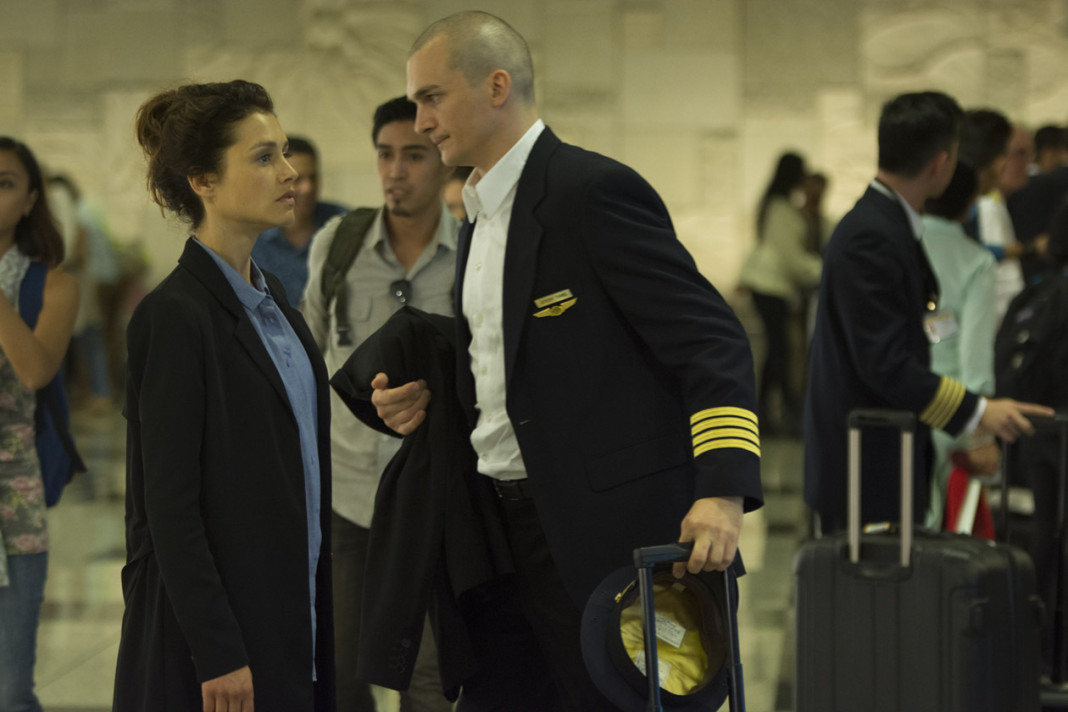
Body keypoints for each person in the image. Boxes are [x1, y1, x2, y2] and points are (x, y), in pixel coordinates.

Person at [372, 11, 764, 710]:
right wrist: (428, 390)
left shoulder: (591, 192)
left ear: (497, 86)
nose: (422, 121)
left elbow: (711, 341)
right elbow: (514, 360)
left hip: (600, 537)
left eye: (432, 97)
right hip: (500, 539)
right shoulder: (480, 214)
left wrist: (724, 491)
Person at [113, 80, 334, 712]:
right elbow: (169, 506)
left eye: (284, 152)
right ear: (203, 180)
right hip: (218, 644)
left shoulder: (275, 304)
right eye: (264, 157)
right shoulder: (174, 316)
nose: (289, 173)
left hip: (288, 616)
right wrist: (217, 651)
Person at [804, 91, 1051, 534]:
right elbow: (885, 364)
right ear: (941, 162)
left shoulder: (888, 223)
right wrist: (977, 411)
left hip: (881, 457)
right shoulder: (872, 236)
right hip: (868, 467)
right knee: (875, 579)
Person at [300, 96, 456, 712]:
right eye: (385, 155)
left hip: (433, 502)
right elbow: (307, 357)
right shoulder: (338, 245)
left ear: (444, 160)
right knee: (338, 669)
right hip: (348, 498)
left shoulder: (473, 251)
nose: (395, 171)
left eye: (414, 155)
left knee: (429, 678)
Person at [0, 137, 78, 712]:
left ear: (30, 200)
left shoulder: (51, 284)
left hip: (13, 500)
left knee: (9, 688)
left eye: (4, 184)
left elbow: (35, 370)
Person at [919, 161, 998, 529]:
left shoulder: (899, 245)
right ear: (970, 202)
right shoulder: (977, 262)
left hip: (891, 400)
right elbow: (975, 358)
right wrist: (980, 433)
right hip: (949, 411)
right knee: (938, 530)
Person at [738, 151, 821, 435]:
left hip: (773, 287)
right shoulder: (780, 209)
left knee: (777, 352)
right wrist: (823, 269)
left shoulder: (778, 206)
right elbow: (790, 257)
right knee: (779, 353)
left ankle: (766, 413)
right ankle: (778, 413)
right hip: (770, 287)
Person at [251, 135, 347, 304]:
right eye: (297, 179)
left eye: (313, 177)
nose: (308, 188)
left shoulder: (345, 225)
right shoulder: (252, 238)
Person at [961, 109, 1024, 323]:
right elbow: (1006, 285)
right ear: (999, 162)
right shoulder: (984, 206)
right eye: (1018, 153)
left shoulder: (971, 203)